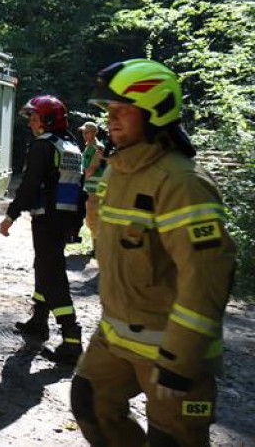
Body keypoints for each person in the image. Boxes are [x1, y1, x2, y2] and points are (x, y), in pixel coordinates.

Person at [70, 59, 236, 446]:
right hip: (116, 335)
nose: (111, 119)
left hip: (171, 347)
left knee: (173, 440)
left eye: (122, 109)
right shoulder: (118, 169)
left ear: (155, 110)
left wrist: (180, 361)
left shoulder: (182, 182)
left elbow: (206, 279)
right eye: (108, 110)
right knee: (91, 403)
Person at [0, 95, 85, 365]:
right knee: (45, 266)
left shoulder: (43, 146)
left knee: (52, 275)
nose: (31, 122)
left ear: (49, 119)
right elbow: (78, 190)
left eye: (35, 117)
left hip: (47, 219)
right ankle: (39, 321)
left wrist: (10, 215)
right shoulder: (70, 145)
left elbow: (30, 184)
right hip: (64, 218)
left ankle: (72, 339)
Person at [79, 121, 106, 245]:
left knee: (93, 217)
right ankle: (96, 246)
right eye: (83, 132)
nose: (84, 134)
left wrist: (80, 181)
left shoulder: (97, 147)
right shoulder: (88, 146)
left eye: (87, 132)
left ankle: (97, 247)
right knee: (91, 217)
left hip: (95, 189)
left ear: (95, 133)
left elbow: (91, 169)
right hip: (90, 187)